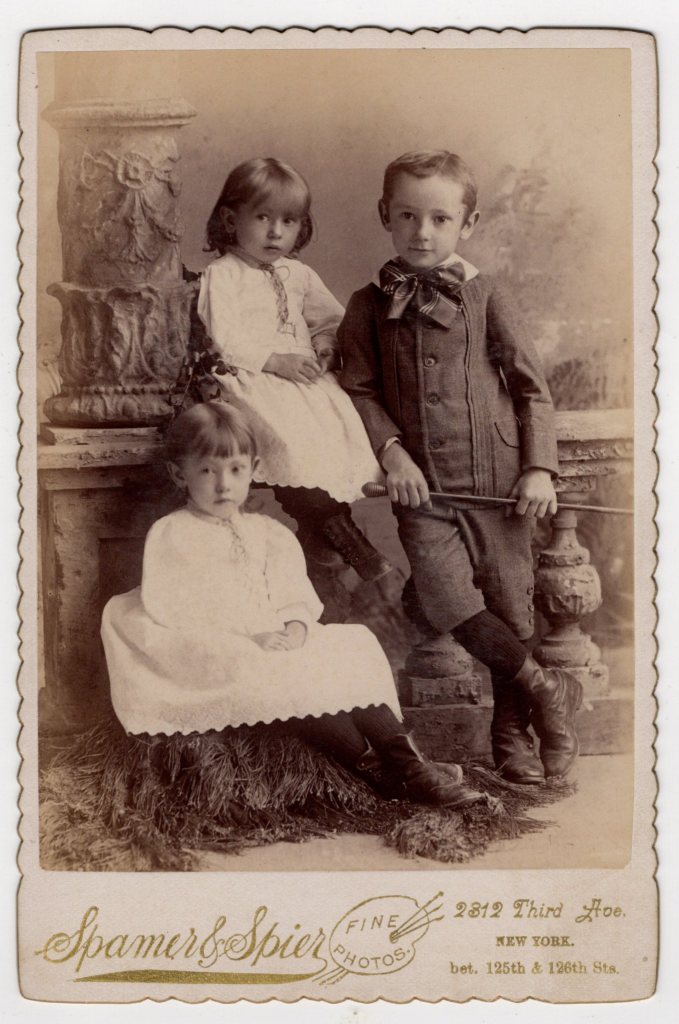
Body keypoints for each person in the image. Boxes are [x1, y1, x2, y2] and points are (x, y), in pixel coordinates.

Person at [101, 402, 485, 810]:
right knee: (291, 676)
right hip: (215, 647)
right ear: (180, 474)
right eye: (207, 471)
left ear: (254, 469)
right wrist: (250, 638)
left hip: (273, 637)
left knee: (351, 647)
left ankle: (408, 767)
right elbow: (179, 607)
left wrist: (295, 629)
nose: (223, 485)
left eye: (235, 470)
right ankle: (393, 772)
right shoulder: (173, 533)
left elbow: (293, 596)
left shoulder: (268, 532)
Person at [339, 150, 582, 784]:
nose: (422, 232)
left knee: (512, 608)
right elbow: (358, 389)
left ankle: (512, 735)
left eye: (440, 218)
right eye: (407, 216)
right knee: (448, 601)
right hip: (423, 492)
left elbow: (531, 389)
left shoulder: (487, 294)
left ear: (467, 224)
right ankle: (549, 689)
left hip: (499, 484)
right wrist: (392, 452)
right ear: (385, 215)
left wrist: (539, 468)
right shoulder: (367, 305)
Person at [196, 156, 391, 582]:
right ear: (230, 219)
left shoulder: (298, 274)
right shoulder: (223, 275)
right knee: (289, 442)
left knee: (335, 433)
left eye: (289, 221)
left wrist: (325, 347)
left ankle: (325, 532)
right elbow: (223, 338)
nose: (275, 232)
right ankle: (342, 535)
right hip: (253, 379)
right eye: (262, 218)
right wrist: (275, 361)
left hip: (304, 382)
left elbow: (330, 320)